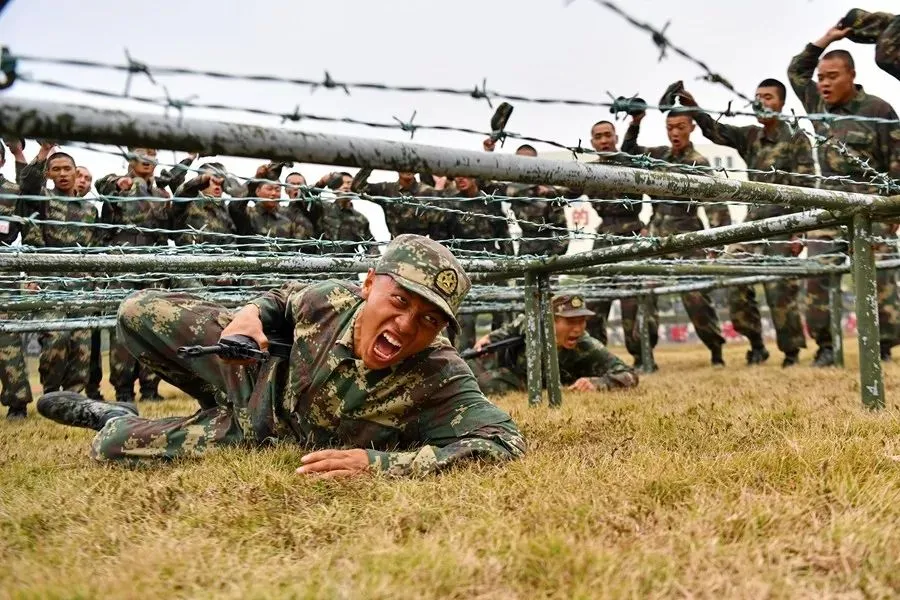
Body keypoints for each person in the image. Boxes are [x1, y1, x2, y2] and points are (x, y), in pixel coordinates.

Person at [36, 234, 526, 477]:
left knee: (113, 444)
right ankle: (206, 392)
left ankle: (113, 416)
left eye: (428, 320)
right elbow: (286, 297)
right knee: (138, 311)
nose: (406, 325)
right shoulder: (330, 299)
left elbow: (503, 443)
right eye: (399, 302)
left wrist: (378, 465)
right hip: (251, 373)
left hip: (262, 432)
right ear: (370, 284)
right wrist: (250, 315)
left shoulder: (440, 374)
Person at [679, 82, 812, 367]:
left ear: (780, 103)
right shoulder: (751, 136)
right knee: (732, 273)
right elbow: (718, 132)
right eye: (757, 97)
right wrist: (694, 108)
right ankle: (756, 343)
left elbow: (807, 184)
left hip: (785, 221)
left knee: (779, 287)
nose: (761, 101)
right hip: (754, 222)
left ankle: (791, 352)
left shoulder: (796, 138)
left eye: (768, 97)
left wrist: (800, 230)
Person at [789, 24, 900, 364]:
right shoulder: (817, 105)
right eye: (821, 77)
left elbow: (897, 163)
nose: (823, 83)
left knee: (878, 277)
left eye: (832, 76)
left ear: (851, 76)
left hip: (872, 204)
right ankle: (825, 346)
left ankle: (883, 344)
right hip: (829, 203)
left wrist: (894, 211)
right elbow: (796, 71)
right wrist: (826, 39)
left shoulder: (879, 111)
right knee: (817, 272)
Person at [622, 106, 730, 366]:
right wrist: (636, 123)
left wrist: (717, 241)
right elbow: (628, 153)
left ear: (692, 127)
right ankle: (645, 355)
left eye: (681, 127)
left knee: (695, 297)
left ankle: (715, 349)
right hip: (657, 236)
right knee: (646, 294)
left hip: (688, 238)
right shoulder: (659, 156)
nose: (675, 133)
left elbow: (715, 203)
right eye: (670, 128)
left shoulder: (698, 163)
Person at [19, 143, 97, 395]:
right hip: (48, 280)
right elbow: (28, 184)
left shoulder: (89, 209)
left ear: (76, 172)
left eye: (67, 169)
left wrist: (94, 281)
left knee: (81, 342)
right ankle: (52, 393)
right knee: (55, 337)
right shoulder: (42, 199)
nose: (62, 174)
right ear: (49, 174)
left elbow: (94, 248)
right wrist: (43, 152)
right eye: (56, 169)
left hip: (80, 284)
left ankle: (74, 396)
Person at [95, 149, 171, 402]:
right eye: (142, 155)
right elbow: (101, 186)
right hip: (123, 262)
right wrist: (118, 183)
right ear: (130, 160)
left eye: (152, 155)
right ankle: (124, 388)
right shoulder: (119, 184)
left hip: (153, 263)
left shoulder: (161, 194)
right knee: (123, 325)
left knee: (153, 325)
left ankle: (150, 387)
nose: (148, 160)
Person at [582, 121, 653, 368]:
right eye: (598, 136)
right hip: (604, 236)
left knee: (632, 302)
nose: (603, 141)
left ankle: (643, 357)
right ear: (592, 142)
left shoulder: (630, 163)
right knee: (593, 301)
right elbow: (561, 191)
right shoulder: (587, 172)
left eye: (607, 135)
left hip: (632, 231)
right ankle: (596, 358)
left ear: (615, 137)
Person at [467, 294, 638, 395]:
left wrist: (597, 383)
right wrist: (489, 337)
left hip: (525, 382)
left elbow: (629, 374)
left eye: (582, 321)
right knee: (464, 371)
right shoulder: (530, 325)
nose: (578, 329)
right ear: (550, 321)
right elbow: (508, 331)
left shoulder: (586, 345)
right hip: (512, 367)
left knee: (482, 384)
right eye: (571, 322)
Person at [0, 139, 32, 419]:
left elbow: (11, 232)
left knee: (7, 335)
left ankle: (17, 402)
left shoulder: (12, 192)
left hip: (3, 268)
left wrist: (20, 153)